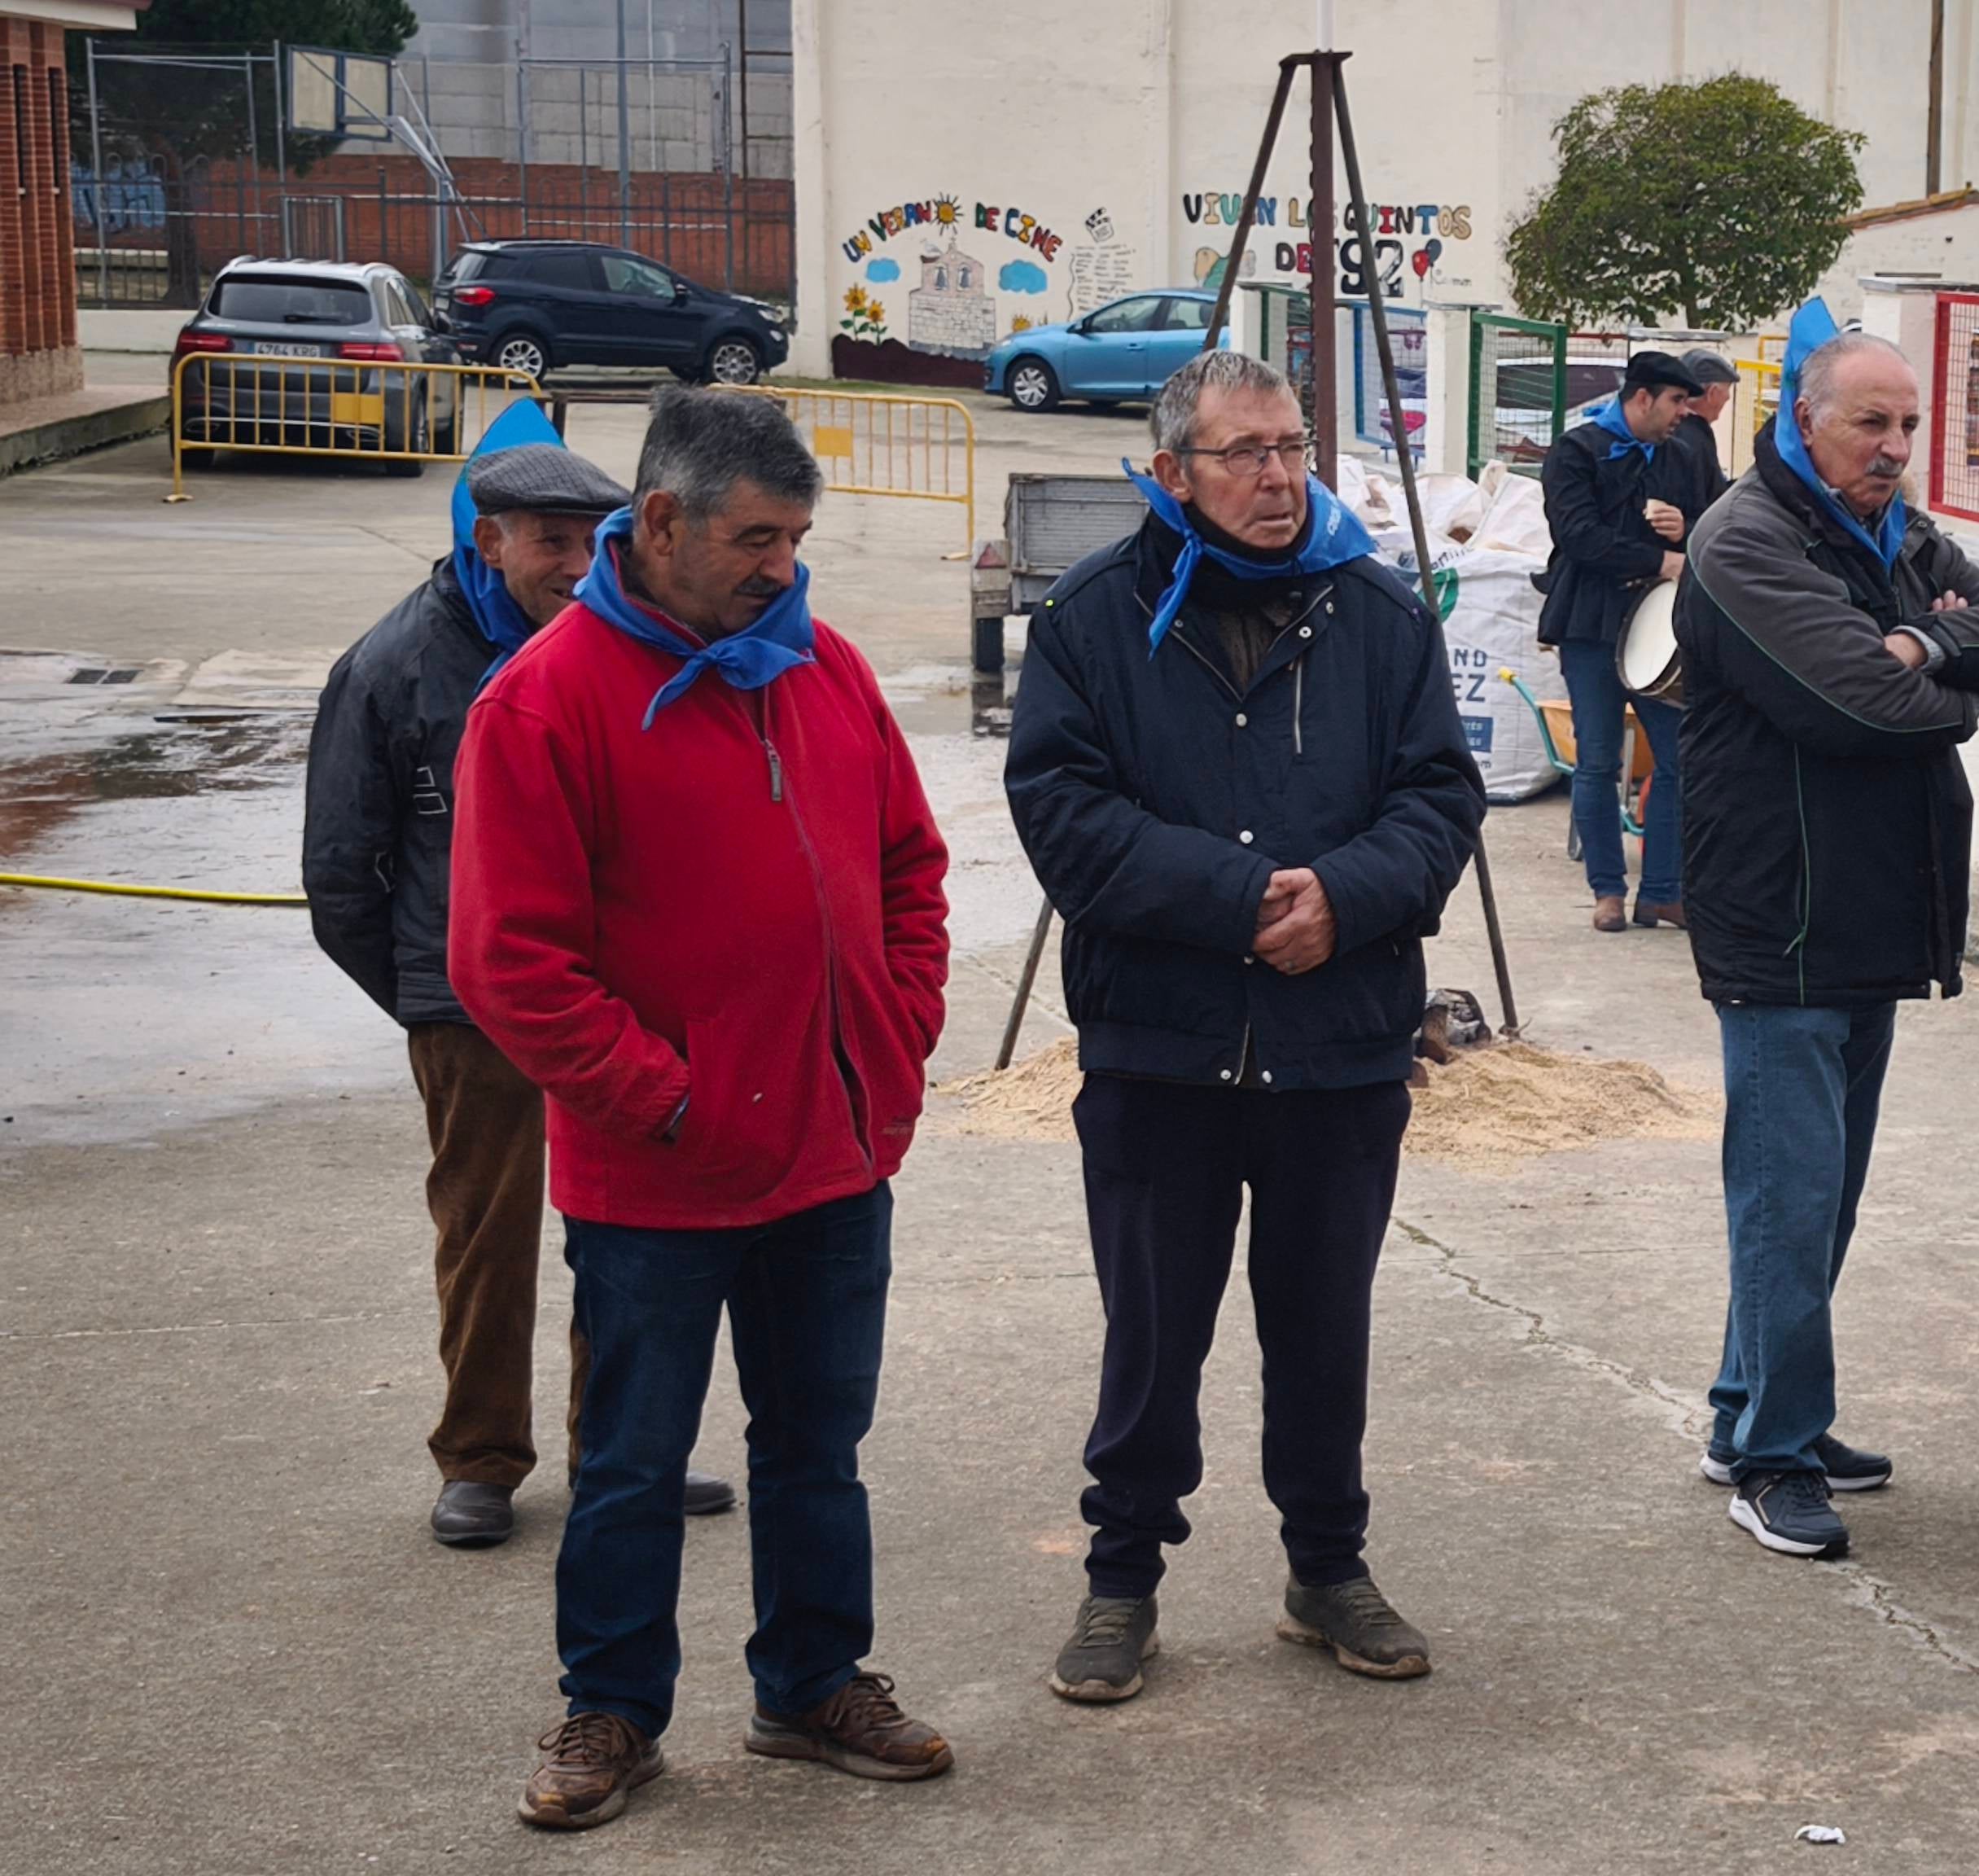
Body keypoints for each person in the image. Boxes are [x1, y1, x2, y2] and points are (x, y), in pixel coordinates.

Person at [453, 386, 954, 1827]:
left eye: (795, 538)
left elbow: (911, 869)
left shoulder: (825, 668)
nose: (779, 568)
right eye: (753, 538)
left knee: (816, 1446)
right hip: (656, 1179)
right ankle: (609, 1710)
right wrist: (669, 1102)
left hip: (833, 1154)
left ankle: (813, 1683)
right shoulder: (545, 701)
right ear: (658, 521)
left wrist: (897, 1035)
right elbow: (512, 965)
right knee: (630, 1461)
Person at [1006, 351, 1485, 1706]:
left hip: (1336, 1044)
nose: (1278, 477)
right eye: (1243, 453)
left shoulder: (1380, 615)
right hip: (1160, 1046)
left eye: (1290, 447)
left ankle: (1327, 1564)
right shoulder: (1097, 619)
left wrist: (1345, 894)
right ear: (1172, 473)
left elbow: (1440, 803)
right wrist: (1236, 896)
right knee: (1151, 1330)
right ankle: (1121, 1581)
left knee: (1323, 1323)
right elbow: (1062, 814)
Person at [303, 429, 738, 1547]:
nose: (572, 566)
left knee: (627, 1232)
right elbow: (341, 871)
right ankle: (481, 1458)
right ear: (486, 539)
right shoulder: (393, 664)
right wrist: (434, 995)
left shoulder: (621, 644)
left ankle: (622, 1448)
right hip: (472, 1012)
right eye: (548, 544)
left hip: (612, 998)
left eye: (586, 543)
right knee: (486, 1234)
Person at [1677, 305, 1979, 1560]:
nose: (1894, 446)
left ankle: (1750, 1415)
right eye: (1869, 424)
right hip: (1780, 916)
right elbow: (1868, 710)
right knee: (1788, 1196)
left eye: (1906, 425)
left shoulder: (1898, 532)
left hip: (1876, 908)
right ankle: (1776, 1456)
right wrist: (1934, 673)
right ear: (1803, 422)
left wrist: (1926, 632)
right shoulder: (1748, 540)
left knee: (1819, 1196)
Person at [1538, 348, 1713, 931]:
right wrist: (1660, 556)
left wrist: (1686, 531)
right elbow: (1579, 537)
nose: (1684, 413)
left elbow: (1714, 520)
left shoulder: (1683, 455)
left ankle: (1661, 891)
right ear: (1643, 399)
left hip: (1658, 628)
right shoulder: (1575, 452)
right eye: (1676, 402)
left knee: (1679, 758)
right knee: (1596, 759)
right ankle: (1607, 892)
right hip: (1590, 622)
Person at [1669, 347, 1738, 491]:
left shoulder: (1669, 428)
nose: (1728, 397)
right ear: (1712, 393)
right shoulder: (1695, 439)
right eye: (1728, 389)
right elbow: (1708, 499)